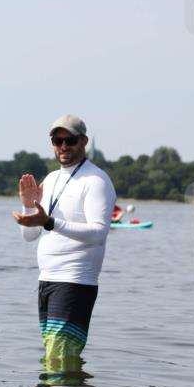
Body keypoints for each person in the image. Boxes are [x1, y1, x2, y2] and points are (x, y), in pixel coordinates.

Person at [13, 115, 116, 364]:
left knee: (59, 359)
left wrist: (50, 222)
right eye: (57, 141)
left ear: (83, 141)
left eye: (69, 140)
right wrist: (28, 208)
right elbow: (30, 236)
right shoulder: (50, 179)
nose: (63, 147)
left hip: (75, 281)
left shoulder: (96, 181)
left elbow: (99, 233)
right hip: (47, 280)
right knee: (53, 357)